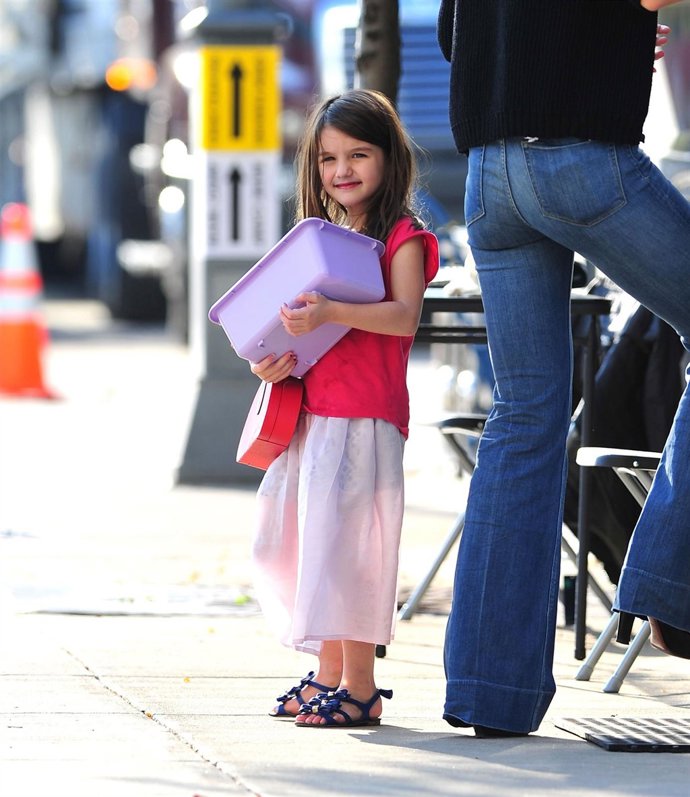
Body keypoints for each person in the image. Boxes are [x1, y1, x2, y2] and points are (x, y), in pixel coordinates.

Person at [437, 0, 690, 737]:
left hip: (491, 175)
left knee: (523, 415)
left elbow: (458, 34)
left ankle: (490, 688)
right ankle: (667, 587)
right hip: (581, 163)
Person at [248, 89, 439, 728]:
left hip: (365, 418)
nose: (342, 171)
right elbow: (285, 327)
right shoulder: (326, 239)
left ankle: (360, 686)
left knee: (352, 552)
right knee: (309, 547)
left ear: (390, 159)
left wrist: (329, 312)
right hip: (313, 416)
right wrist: (268, 358)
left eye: (359, 154)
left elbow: (403, 316)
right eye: (329, 159)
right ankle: (329, 673)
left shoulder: (403, 237)